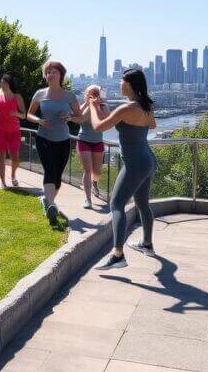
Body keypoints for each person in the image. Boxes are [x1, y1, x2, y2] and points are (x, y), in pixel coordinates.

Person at [89, 69, 158, 270]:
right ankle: (147, 244)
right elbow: (151, 125)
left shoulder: (127, 108)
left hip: (135, 163)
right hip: (148, 159)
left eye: (120, 81)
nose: (118, 84)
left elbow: (99, 127)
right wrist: (106, 110)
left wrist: (94, 108)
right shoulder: (146, 106)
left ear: (128, 84)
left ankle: (118, 255)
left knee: (116, 204)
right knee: (142, 204)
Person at [27, 61, 81, 226]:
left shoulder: (69, 96)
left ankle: (48, 201)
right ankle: (51, 204)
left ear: (61, 75)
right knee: (49, 170)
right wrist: (39, 121)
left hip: (63, 140)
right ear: (45, 75)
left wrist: (70, 118)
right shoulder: (40, 94)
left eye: (54, 72)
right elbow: (29, 115)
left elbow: (80, 117)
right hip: (43, 138)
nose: (50, 74)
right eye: (48, 72)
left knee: (57, 176)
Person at [0, 74, 25, 189]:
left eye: (4, 82)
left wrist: (16, 114)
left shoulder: (17, 97)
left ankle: (13, 175)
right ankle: (3, 182)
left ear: (9, 84)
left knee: (15, 158)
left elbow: (24, 115)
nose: (2, 84)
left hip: (14, 131)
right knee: (1, 157)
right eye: (1, 82)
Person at [75, 85, 107, 210]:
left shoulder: (102, 106)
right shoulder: (83, 106)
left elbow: (107, 119)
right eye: (90, 93)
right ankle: (88, 199)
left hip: (98, 141)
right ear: (86, 95)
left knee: (97, 172)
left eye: (95, 93)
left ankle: (95, 183)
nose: (93, 96)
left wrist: (101, 104)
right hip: (83, 140)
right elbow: (78, 116)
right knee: (87, 170)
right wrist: (86, 103)